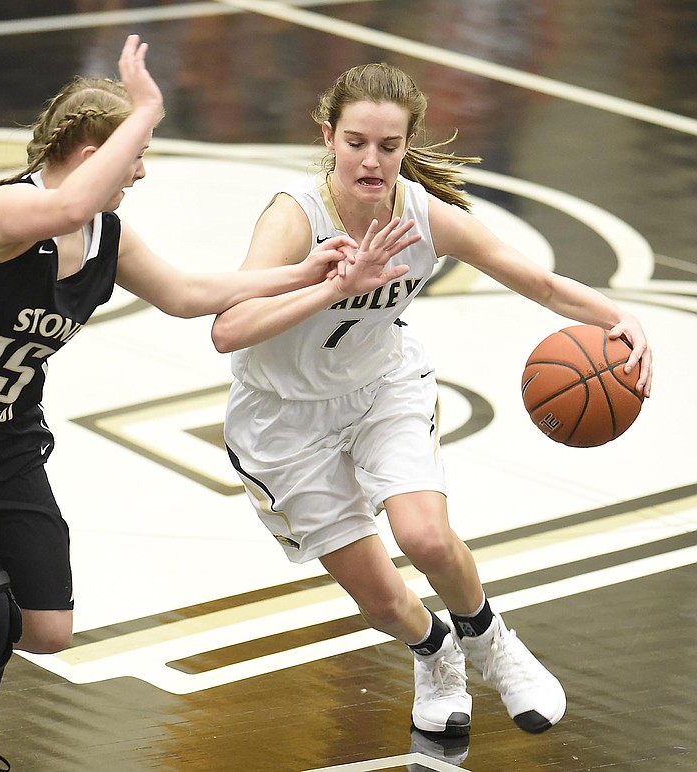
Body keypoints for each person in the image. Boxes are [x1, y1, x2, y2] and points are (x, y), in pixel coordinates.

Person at [0, 38, 417, 772]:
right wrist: (146, 104)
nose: (141, 171)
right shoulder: (2, 209)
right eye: (132, 153)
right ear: (86, 150)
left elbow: (185, 297)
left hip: (3, 437)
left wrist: (316, 278)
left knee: (45, 629)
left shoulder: (105, 233)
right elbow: (69, 201)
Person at [212, 62, 654, 738]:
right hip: (281, 418)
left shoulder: (423, 217)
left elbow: (538, 281)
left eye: (388, 147)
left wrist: (618, 321)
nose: (371, 159)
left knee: (422, 534)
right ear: (329, 137)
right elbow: (226, 329)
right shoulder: (294, 217)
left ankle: (493, 643)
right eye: (356, 142)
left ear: (407, 147)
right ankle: (435, 653)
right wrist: (334, 284)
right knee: (382, 600)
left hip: (381, 387)